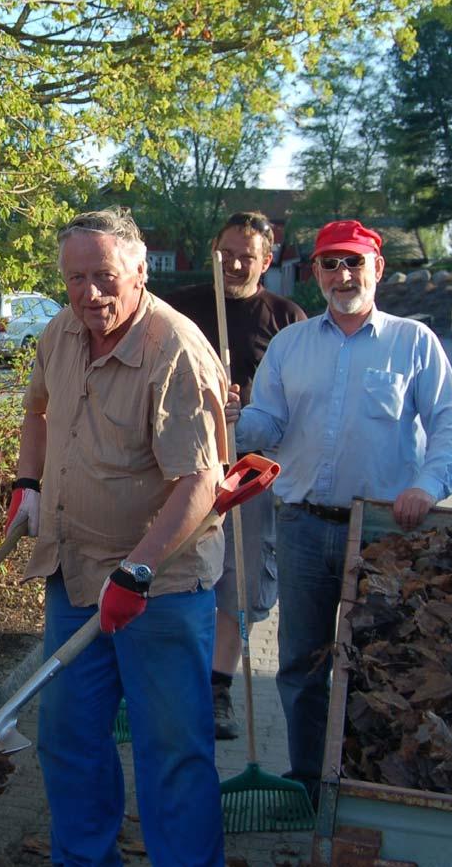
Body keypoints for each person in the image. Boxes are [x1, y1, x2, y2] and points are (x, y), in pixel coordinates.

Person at [8, 207, 229, 866]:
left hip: (157, 588)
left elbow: (199, 481)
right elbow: (35, 411)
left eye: (103, 276)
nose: (89, 293)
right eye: (75, 279)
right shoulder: (61, 333)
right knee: (68, 740)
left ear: (138, 271)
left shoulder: (174, 349)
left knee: (172, 752)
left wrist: (136, 570)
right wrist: (29, 485)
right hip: (74, 576)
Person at [228, 218, 452, 807]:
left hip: (385, 531)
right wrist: (235, 418)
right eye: (330, 264)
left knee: (379, 665)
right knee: (303, 666)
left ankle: (367, 786)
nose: (343, 275)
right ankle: (310, 782)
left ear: (377, 269)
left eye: (354, 263)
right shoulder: (291, 345)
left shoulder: (414, 342)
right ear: (315, 273)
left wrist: (428, 486)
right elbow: (270, 430)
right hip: (304, 525)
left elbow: (448, 426)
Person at [165, 210, 306, 740]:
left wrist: (255, 411)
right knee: (174, 572)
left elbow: (299, 400)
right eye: (227, 251)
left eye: (248, 254)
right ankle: (168, 682)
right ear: (214, 251)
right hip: (183, 466)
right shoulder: (184, 308)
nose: (235, 262)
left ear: (267, 260)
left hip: (247, 474)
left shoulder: (287, 319)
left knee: (238, 582)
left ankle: (219, 690)